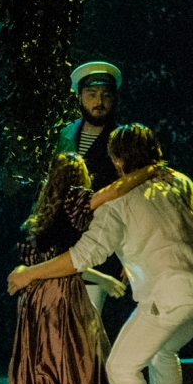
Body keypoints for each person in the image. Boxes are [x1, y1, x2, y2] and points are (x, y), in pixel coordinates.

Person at [8, 124, 193, 384]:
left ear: (117, 161)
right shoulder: (182, 182)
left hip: (170, 294)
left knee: (120, 367)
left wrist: (29, 274)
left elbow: (82, 256)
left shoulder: (119, 201)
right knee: (163, 352)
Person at [3, 152, 167, 384]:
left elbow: (56, 258)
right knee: (73, 366)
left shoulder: (45, 212)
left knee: (42, 366)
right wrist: (149, 169)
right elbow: (113, 192)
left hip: (36, 297)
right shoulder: (74, 201)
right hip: (61, 294)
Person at [55, 62, 123, 311]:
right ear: (80, 97)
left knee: (88, 322)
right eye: (92, 94)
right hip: (60, 244)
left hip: (100, 244)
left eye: (106, 95)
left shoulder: (122, 140)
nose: (99, 102)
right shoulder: (64, 135)